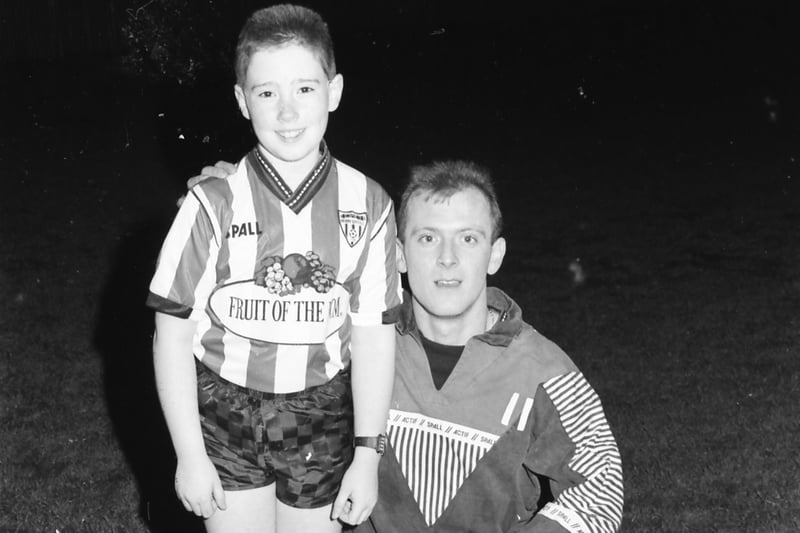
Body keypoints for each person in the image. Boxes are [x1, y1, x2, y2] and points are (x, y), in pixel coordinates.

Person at [193, 159, 624, 532]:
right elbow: (264, 318)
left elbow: (601, 486)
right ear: (396, 255)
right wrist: (229, 210)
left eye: (469, 238)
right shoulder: (354, 344)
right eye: (428, 238)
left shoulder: (543, 370)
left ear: (495, 254)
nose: (448, 258)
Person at [147, 4, 401, 532]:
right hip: (223, 410)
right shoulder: (210, 204)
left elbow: (375, 338)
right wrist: (189, 456)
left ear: (333, 91)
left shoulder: (370, 204)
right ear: (243, 102)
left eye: (304, 90)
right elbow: (170, 336)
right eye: (267, 93)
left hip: (321, 416)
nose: (287, 112)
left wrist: (368, 456)